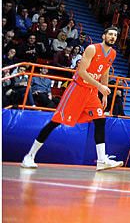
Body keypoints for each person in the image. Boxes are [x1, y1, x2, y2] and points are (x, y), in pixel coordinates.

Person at [21, 27, 123, 171]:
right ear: (104, 35)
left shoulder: (112, 53)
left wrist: (104, 93)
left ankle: (101, 160)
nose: (113, 37)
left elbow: (105, 72)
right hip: (78, 89)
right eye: (110, 34)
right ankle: (29, 156)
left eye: (115, 35)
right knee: (55, 122)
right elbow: (81, 72)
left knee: (100, 120)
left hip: (92, 92)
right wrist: (100, 86)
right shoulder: (92, 49)